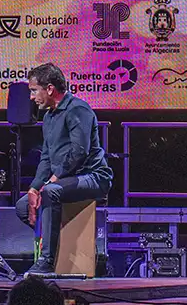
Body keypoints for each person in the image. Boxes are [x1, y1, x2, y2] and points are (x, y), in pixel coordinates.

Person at [14, 63, 113, 276]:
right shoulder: (49, 116)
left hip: (93, 176)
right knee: (23, 206)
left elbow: (79, 151)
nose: (32, 97)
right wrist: (33, 188)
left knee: (51, 192)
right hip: (66, 180)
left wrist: (52, 181)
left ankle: (46, 262)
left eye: (34, 90)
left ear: (49, 89)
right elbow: (47, 157)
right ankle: (63, 242)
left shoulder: (77, 109)